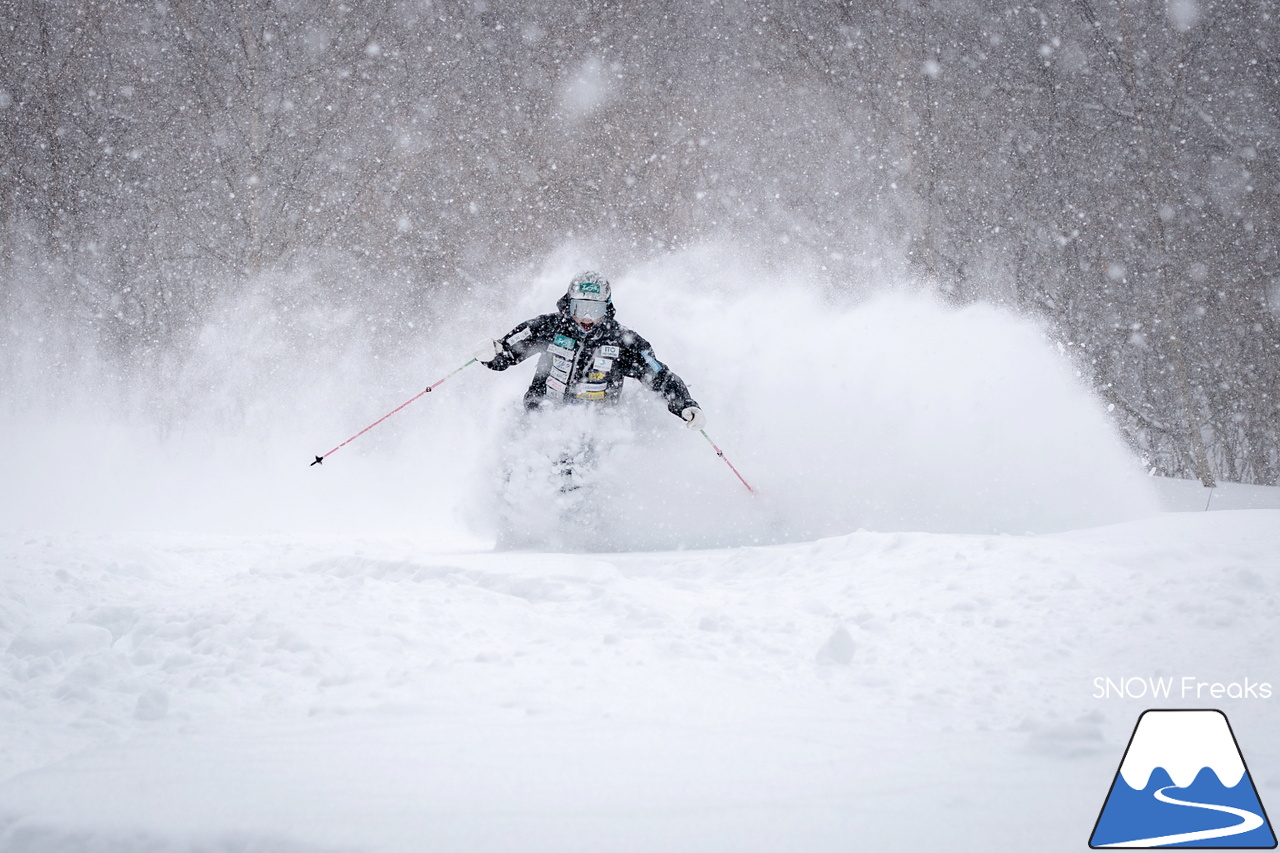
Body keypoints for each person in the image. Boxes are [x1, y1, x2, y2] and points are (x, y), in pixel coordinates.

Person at [472, 271, 706, 430]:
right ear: (568, 304)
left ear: (607, 308)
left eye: (594, 310)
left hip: (594, 428)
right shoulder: (547, 327)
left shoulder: (624, 342)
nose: (586, 318)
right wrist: (491, 353)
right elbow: (506, 354)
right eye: (579, 307)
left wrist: (686, 404)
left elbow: (659, 376)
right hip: (540, 419)